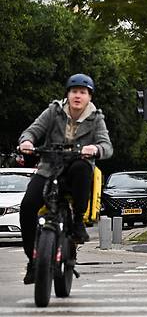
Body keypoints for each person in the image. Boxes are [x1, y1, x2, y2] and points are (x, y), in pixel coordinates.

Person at [18, 74, 113, 284]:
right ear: (67, 94)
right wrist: (27, 141)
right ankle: (33, 260)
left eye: (83, 92)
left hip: (76, 169)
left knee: (82, 168)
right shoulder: (53, 111)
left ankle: (77, 220)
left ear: (89, 96)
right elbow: (33, 131)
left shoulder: (96, 117)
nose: (78, 96)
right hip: (49, 168)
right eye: (74, 91)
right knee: (27, 206)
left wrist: (95, 149)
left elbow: (107, 147)